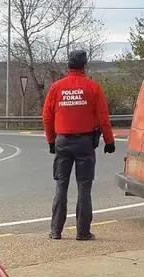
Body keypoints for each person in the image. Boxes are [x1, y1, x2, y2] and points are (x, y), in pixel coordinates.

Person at [42, 49, 115, 241]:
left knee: (61, 185)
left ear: (68, 65)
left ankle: (56, 230)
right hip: (85, 142)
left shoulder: (56, 87)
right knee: (84, 187)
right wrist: (109, 141)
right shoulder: (93, 87)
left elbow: (47, 117)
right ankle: (82, 232)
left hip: (62, 141)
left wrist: (51, 140)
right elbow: (103, 117)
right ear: (85, 65)